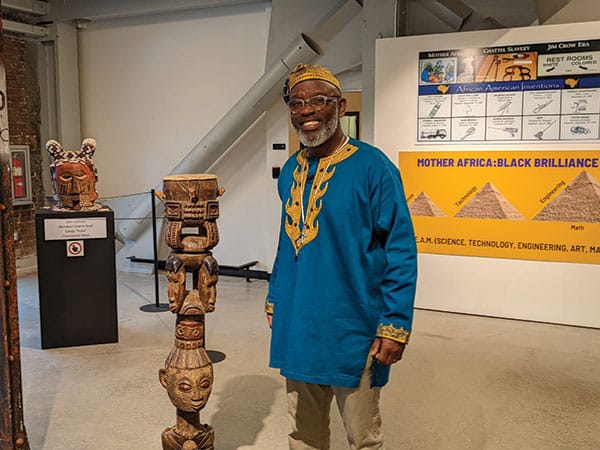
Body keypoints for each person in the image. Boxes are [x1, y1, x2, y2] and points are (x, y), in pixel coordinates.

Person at [265, 63, 418, 450]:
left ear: (340, 105)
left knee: (362, 437)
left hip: (355, 327)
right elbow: (288, 242)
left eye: (318, 100)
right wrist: (275, 296)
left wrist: (394, 323)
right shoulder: (290, 173)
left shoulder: (374, 167)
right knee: (302, 434)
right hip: (299, 323)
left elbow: (400, 248)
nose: (307, 111)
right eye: (297, 103)